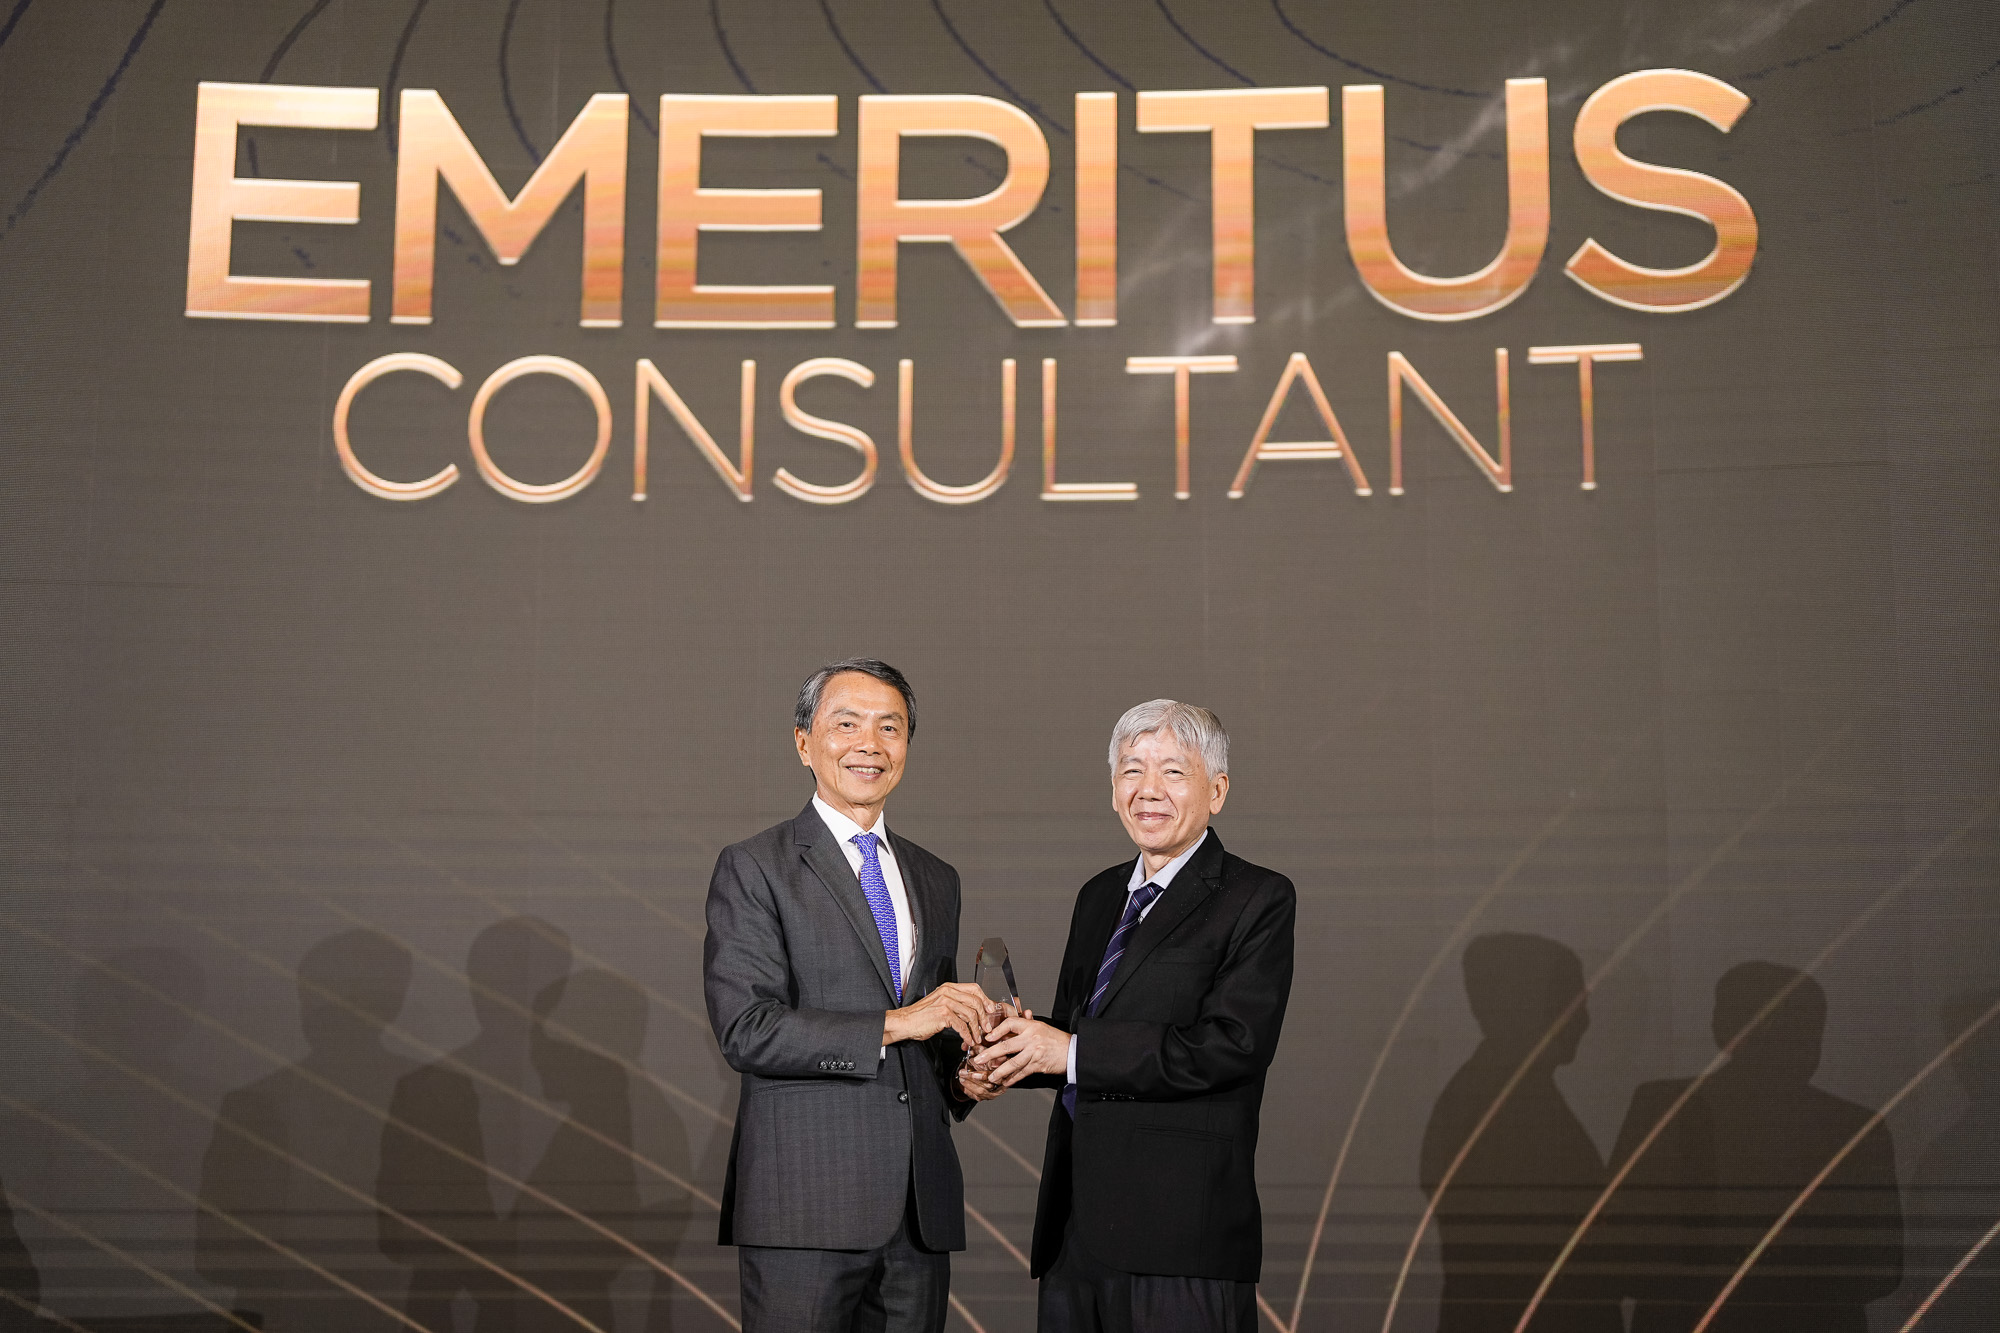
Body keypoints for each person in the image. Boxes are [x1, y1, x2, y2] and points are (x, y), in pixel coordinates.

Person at [971, 699, 1295, 1333]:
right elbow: (1075, 1037)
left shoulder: (1257, 896)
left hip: (1179, 1238)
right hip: (1074, 1231)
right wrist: (1011, 1050)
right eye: (1131, 770)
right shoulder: (1099, 894)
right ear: (1113, 790)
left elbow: (1231, 1045)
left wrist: (1066, 1050)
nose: (1148, 789)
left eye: (1173, 771)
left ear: (1217, 791)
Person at [702, 659, 997, 1332]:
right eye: (847, 724)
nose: (870, 744)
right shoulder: (755, 866)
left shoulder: (937, 877)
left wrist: (966, 1077)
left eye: (890, 727)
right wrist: (900, 1021)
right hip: (805, 1208)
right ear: (804, 742)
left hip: (918, 1216)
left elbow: (930, 1034)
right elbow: (748, 1028)